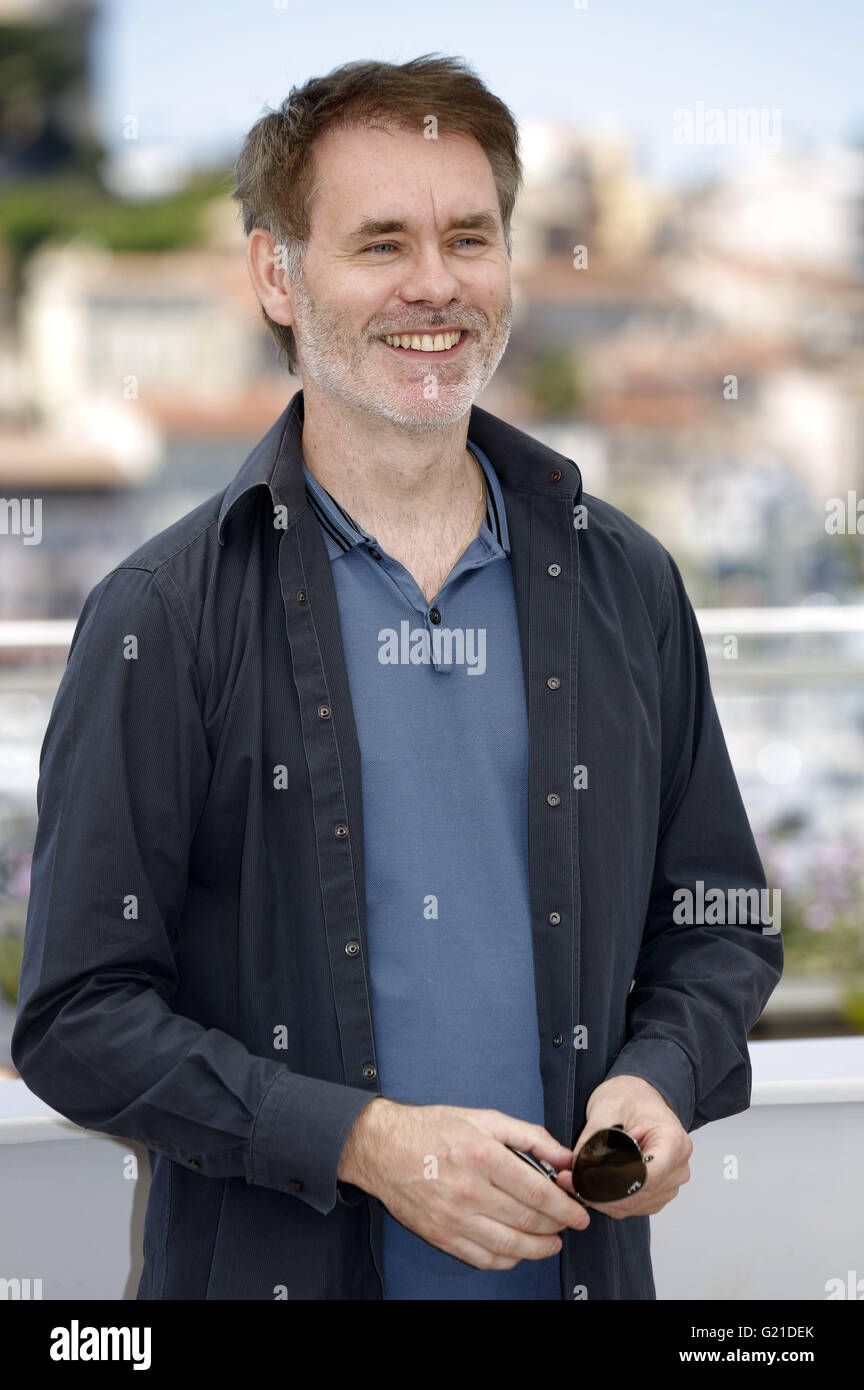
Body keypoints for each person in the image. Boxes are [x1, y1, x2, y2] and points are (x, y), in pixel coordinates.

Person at [12, 54, 783, 1301]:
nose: (436, 285)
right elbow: (77, 1016)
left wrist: (662, 1074)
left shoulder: (628, 582)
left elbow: (721, 924)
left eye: (469, 237)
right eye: (380, 243)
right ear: (278, 272)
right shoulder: (162, 616)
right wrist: (365, 1145)